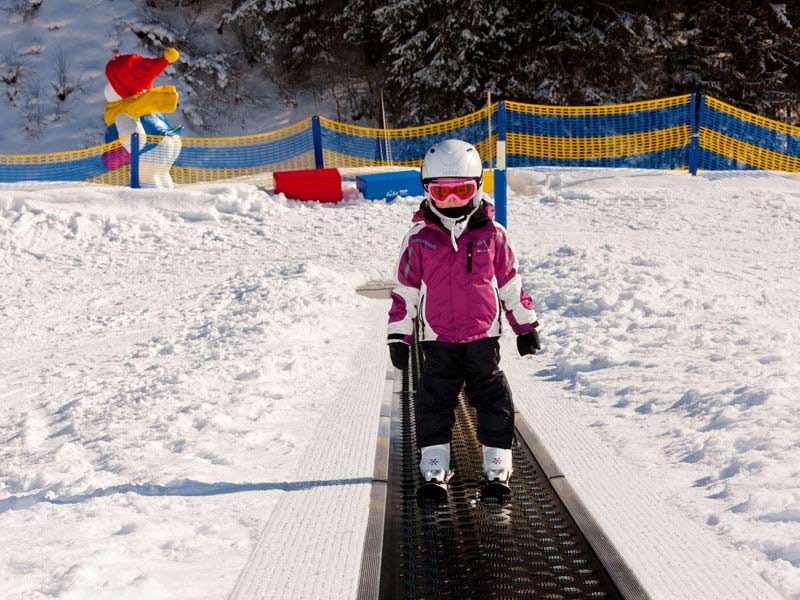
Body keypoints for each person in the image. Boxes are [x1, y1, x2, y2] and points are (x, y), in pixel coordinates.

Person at [387, 139, 540, 487]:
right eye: (443, 194)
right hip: (438, 338)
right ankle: (435, 458)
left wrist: (525, 325)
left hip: (483, 336)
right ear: (428, 192)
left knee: (493, 397)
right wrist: (399, 334)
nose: (452, 202)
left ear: (478, 188)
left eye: (462, 191)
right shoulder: (419, 238)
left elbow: (509, 283)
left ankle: (498, 459)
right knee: (433, 398)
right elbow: (405, 290)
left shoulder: (494, 236)